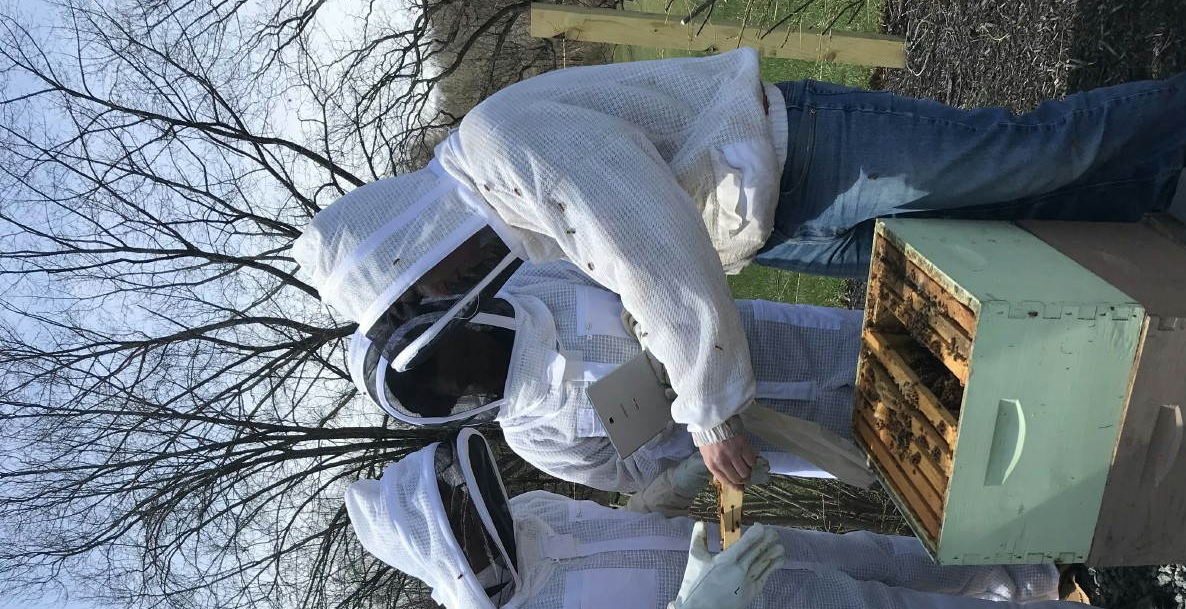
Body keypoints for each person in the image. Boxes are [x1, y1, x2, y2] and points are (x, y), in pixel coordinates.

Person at [292, 48, 1186, 486]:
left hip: (803, 148)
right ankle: (1181, 203)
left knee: (1026, 147)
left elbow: (643, 247)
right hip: (773, 225)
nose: (466, 296)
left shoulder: (500, 153)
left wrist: (710, 406)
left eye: (441, 297)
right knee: (1001, 235)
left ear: (420, 265)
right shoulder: (498, 216)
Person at [345, 428, 1166, 609]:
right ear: (443, 551)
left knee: (900, 564)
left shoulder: (524, 521)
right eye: (456, 515)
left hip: (744, 550)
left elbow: (616, 536)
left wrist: (671, 492)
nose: (475, 506)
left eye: (461, 497)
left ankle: (1035, 576)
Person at [354, 257, 869, 494]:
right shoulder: (534, 437)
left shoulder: (538, 278)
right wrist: (678, 453)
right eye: (457, 384)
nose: (471, 375)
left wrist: (652, 328)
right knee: (894, 448)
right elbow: (635, 476)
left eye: (458, 357)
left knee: (887, 347)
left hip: (767, 340)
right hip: (761, 438)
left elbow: (631, 265)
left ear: (456, 323)